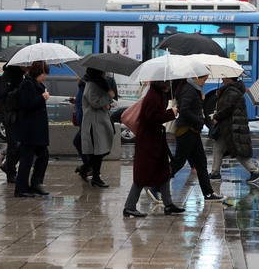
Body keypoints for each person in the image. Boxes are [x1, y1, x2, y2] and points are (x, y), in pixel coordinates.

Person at [123, 81, 185, 217]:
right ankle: (129, 206)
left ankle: (168, 205)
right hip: (149, 143)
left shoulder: (156, 95)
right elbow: (153, 119)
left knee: (163, 172)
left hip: (154, 141)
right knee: (142, 175)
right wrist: (171, 113)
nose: (169, 85)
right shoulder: (153, 97)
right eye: (167, 82)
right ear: (160, 84)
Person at [170, 75, 225, 202]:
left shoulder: (193, 89)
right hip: (186, 131)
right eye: (204, 79)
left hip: (192, 131)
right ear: (195, 77)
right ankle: (156, 186)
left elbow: (194, 108)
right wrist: (199, 121)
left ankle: (208, 193)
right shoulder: (189, 89)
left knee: (201, 162)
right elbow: (184, 110)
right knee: (178, 162)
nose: (204, 82)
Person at [208, 77, 259, 183]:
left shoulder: (232, 91)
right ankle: (215, 173)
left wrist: (216, 116)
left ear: (230, 78)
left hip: (232, 126)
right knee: (218, 147)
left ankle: (255, 171)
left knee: (236, 150)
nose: (223, 79)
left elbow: (228, 108)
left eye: (225, 77)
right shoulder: (229, 90)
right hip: (226, 126)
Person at [14, 61, 50, 198]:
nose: (44, 76)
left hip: (37, 130)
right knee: (26, 160)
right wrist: (42, 98)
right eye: (43, 73)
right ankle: (21, 188)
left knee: (44, 156)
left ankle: (36, 184)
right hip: (29, 130)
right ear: (38, 73)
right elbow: (26, 104)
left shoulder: (38, 84)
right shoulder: (27, 84)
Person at [80, 67, 116, 188]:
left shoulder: (98, 84)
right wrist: (108, 96)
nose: (104, 74)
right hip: (94, 124)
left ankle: (85, 169)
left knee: (100, 151)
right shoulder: (91, 85)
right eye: (102, 71)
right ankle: (95, 177)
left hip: (100, 123)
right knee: (98, 152)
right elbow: (95, 103)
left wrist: (108, 98)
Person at [0, 64, 26, 184]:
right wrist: (19, 90)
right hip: (10, 115)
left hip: (17, 114)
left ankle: (8, 166)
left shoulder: (20, 75)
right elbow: (6, 93)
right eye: (26, 65)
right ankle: (11, 173)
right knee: (13, 145)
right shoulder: (9, 75)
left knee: (22, 143)